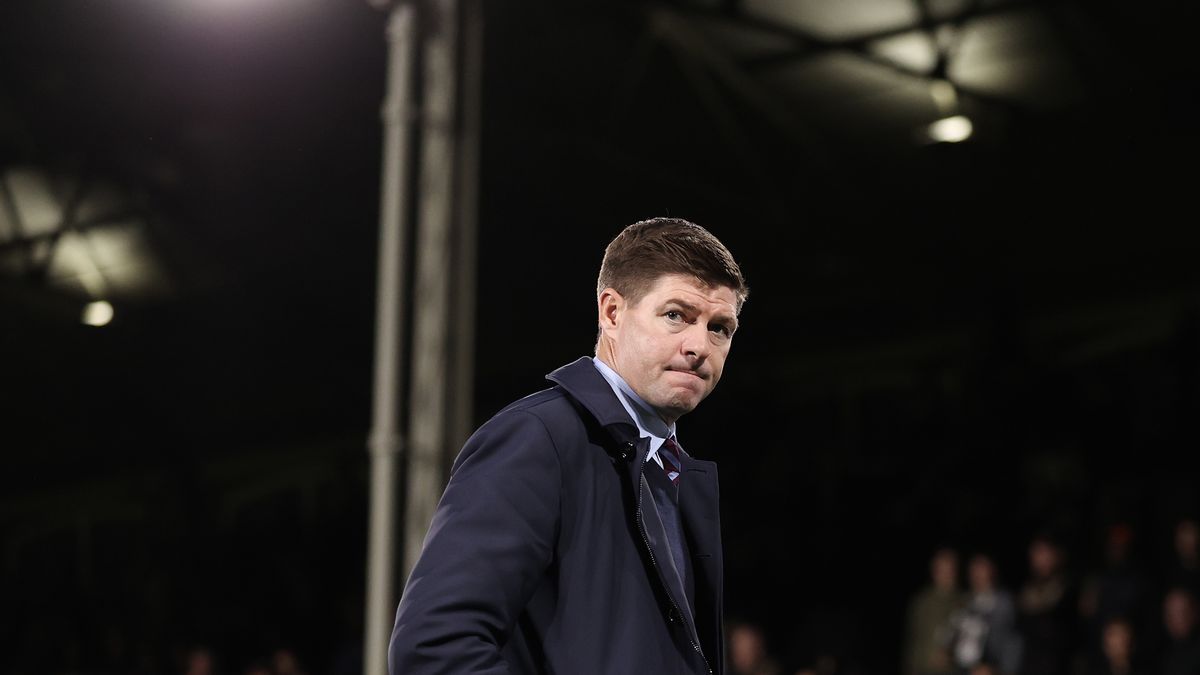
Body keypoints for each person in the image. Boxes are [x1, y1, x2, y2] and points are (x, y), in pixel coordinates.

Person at [388, 217, 749, 674]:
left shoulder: (665, 468)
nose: (700, 344)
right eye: (676, 315)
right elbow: (434, 648)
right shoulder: (538, 438)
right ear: (611, 313)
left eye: (721, 328)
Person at [904, 546, 967, 675]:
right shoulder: (921, 602)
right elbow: (913, 641)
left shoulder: (964, 601)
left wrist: (950, 655)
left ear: (955, 571)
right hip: (923, 669)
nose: (944, 574)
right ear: (933, 570)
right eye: (940, 569)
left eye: (949, 569)